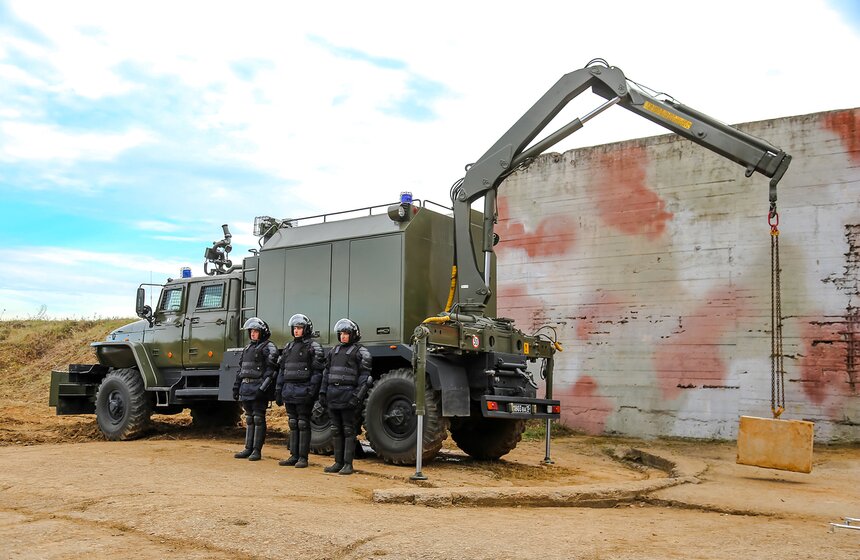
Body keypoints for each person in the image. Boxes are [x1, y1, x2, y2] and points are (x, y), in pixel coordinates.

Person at [318, 318, 371, 475]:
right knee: (336, 430)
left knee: (349, 431)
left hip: (348, 397)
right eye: (341, 334)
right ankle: (337, 462)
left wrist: (357, 397)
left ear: (353, 335)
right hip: (333, 396)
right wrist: (322, 393)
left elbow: (365, 378)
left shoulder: (361, 352)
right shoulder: (333, 351)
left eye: (346, 334)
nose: (343, 336)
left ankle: (348, 464)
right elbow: (326, 374)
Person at [275, 313, 324, 468]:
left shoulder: (313, 347)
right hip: (289, 391)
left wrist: (311, 391)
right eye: (295, 328)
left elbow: (317, 372)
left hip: (304, 392)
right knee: (293, 423)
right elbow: (282, 371)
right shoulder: (288, 347)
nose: (296, 331)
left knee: (303, 423)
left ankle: (303, 458)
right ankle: (293, 456)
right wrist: (279, 389)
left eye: (299, 328)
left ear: (306, 329)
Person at [232, 317, 278, 461]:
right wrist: (236, 387)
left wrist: (262, 389)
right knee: (249, 419)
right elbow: (241, 370)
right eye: (251, 331)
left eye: (255, 331)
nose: (252, 334)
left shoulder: (269, 347)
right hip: (246, 387)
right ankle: (248, 448)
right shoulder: (247, 348)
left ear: (262, 332)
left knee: (258, 419)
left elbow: (271, 372)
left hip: (258, 389)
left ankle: (257, 450)